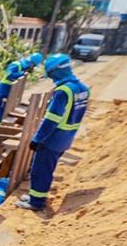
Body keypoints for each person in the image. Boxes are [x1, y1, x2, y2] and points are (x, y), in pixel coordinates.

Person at [16, 53, 89, 212]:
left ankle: (36, 203)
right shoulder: (83, 89)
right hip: (66, 137)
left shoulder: (63, 91)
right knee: (48, 168)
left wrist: (38, 139)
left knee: (40, 170)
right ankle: (37, 197)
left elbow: (52, 119)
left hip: (53, 138)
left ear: (56, 71)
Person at [0, 52, 43, 122]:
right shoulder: (16, 65)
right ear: (32, 63)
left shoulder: (24, 67)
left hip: (11, 91)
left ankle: (1, 123)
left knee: (7, 109)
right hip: (4, 90)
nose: (33, 68)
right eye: (34, 66)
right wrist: (22, 74)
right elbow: (9, 75)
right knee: (1, 108)